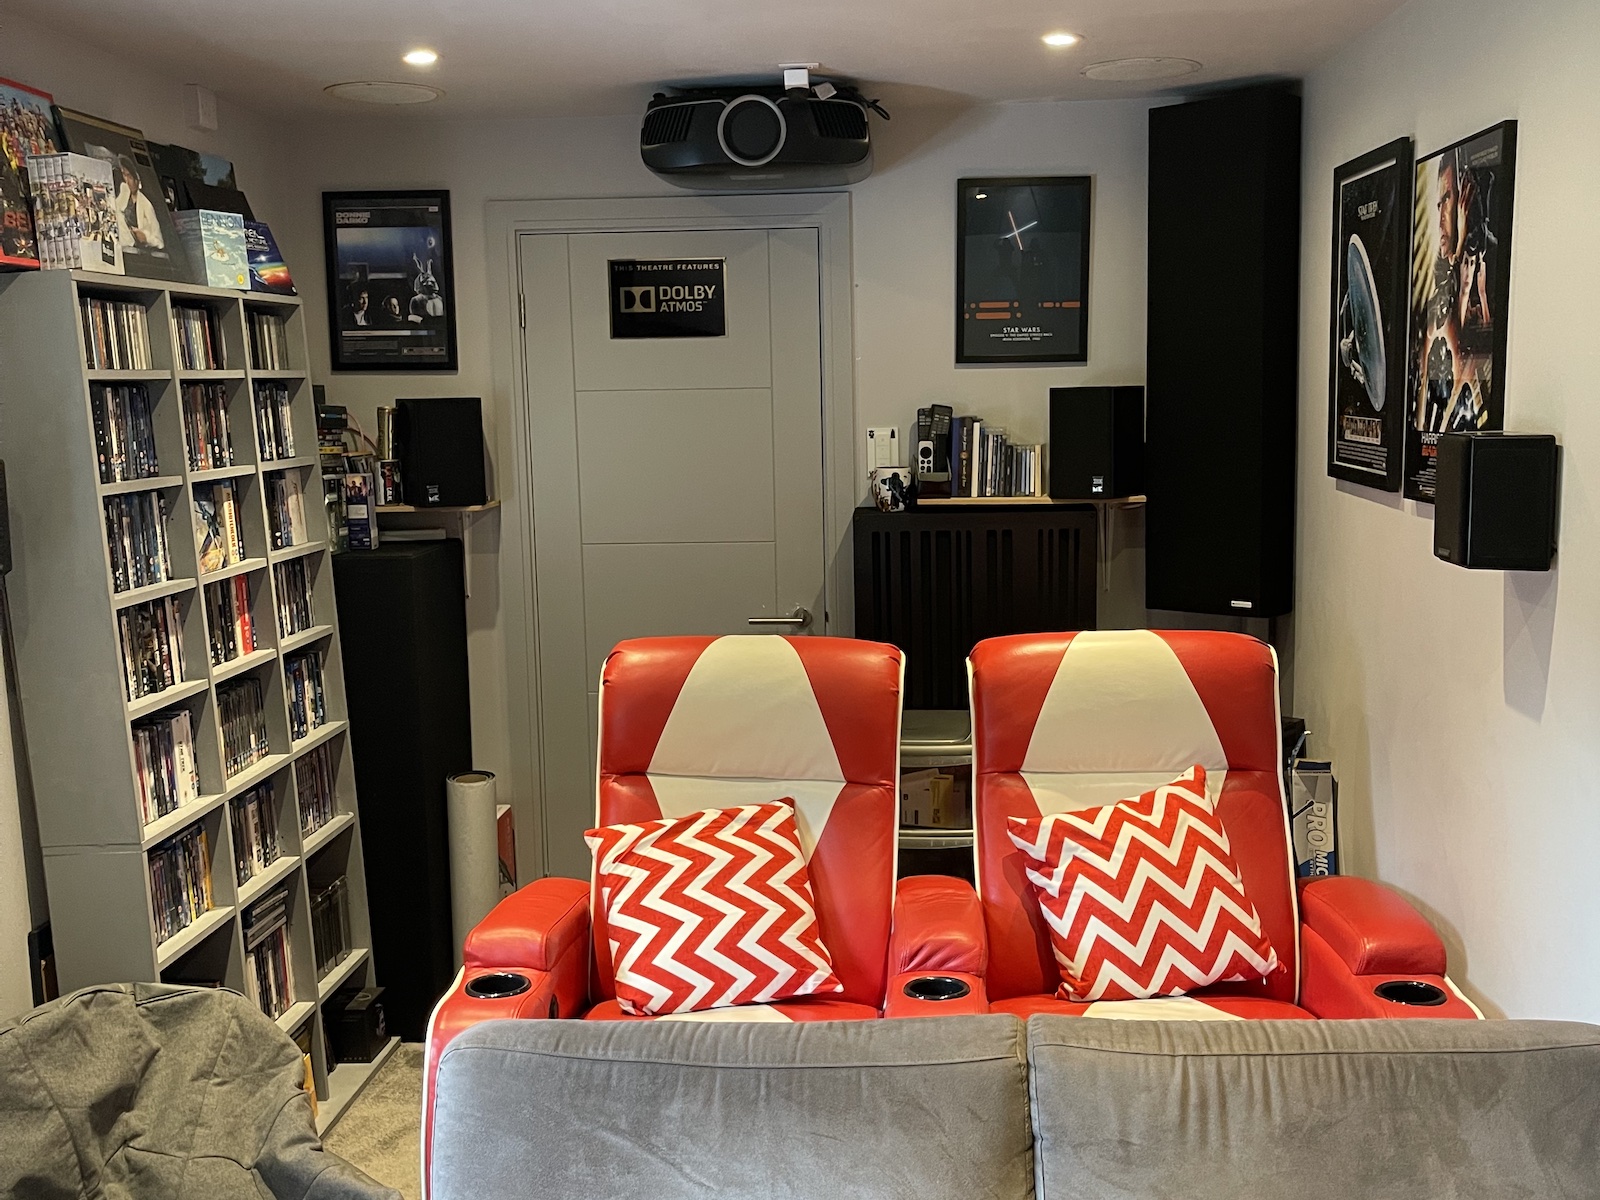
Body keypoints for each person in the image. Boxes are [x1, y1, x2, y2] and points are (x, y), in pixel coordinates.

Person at [113, 155, 163, 249]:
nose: (126, 180)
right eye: (124, 175)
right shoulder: (122, 194)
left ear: (137, 180)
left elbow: (159, 241)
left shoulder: (146, 205)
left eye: (129, 176)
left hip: (136, 250)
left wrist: (145, 237)